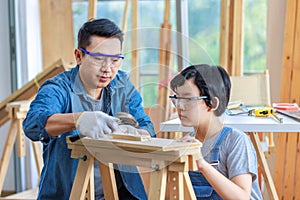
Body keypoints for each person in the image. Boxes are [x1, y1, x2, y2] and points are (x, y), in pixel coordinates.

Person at [23, 18, 155, 200]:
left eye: (115, 60)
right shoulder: (58, 88)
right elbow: (32, 125)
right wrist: (78, 119)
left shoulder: (122, 86)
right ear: (79, 56)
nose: (107, 69)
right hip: (67, 194)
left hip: (118, 194)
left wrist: (135, 132)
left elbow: (148, 127)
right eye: (99, 59)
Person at [169, 64, 263, 199]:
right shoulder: (187, 143)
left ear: (212, 103)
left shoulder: (235, 141)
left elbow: (241, 197)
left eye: (188, 99)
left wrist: (201, 164)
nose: (180, 107)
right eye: (177, 99)